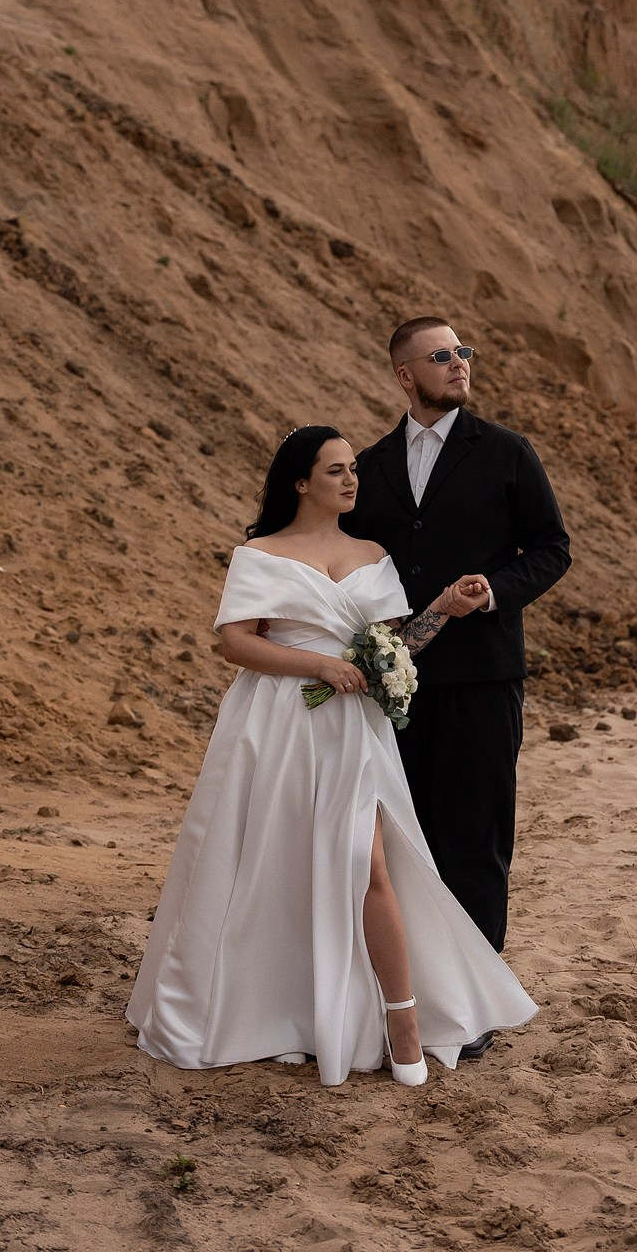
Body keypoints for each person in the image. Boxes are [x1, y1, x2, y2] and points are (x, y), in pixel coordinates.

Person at [126, 425, 536, 1089]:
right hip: (278, 723)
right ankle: (282, 1006)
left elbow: (392, 646)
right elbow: (235, 642)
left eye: (353, 469)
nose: (351, 481)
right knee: (274, 861)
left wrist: (442, 609)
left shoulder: (372, 552)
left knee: (365, 860)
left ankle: (401, 1018)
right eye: (335, 471)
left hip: (354, 730)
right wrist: (318, 662)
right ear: (299, 481)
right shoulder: (260, 553)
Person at [348, 318, 570, 1048]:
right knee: (402, 840)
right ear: (404, 375)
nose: (458, 364)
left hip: (482, 675)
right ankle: (407, 997)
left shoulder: (505, 452)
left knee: (474, 840)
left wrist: (497, 593)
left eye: (463, 352)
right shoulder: (372, 464)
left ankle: (471, 1010)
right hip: (394, 679)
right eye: (441, 356)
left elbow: (551, 548)